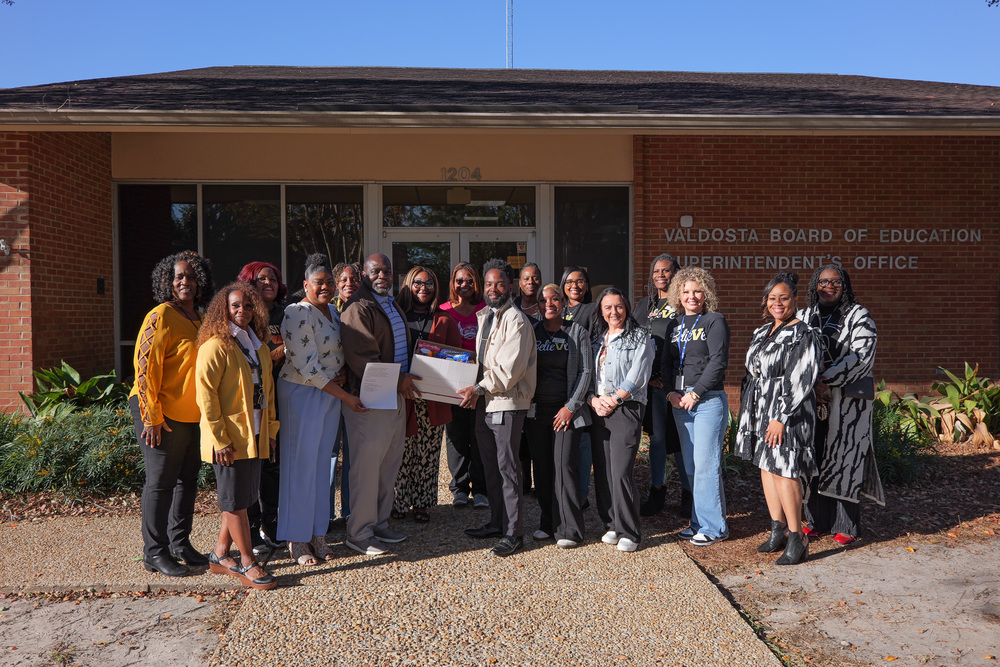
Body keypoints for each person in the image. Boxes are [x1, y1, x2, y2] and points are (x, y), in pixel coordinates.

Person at [277, 253, 368, 565]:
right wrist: (344, 395)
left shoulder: (332, 310)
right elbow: (306, 366)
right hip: (303, 393)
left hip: (330, 393)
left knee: (320, 468)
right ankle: (297, 540)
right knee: (300, 467)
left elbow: (336, 354)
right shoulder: (296, 312)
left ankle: (318, 533)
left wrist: (342, 376)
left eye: (330, 281)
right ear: (306, 284)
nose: (327, 286)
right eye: (320, 282)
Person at [128, 250, 214, 577]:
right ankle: (154, 552)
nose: (185, 282)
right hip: (160, 413)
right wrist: (151, 416)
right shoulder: (160, 315)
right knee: (161, 482)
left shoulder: (202, 317)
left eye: (191, 276)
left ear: (200, 281)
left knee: (187, 481)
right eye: (178, 276)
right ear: (167, 280)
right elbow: (144, 368)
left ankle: (181, 545)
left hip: (193, 416)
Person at [195, 282, 279, 589]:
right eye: (235, 306)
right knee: (235, 503)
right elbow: (206, 398)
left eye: (247, 305)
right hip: (228, 439)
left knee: (241, 498)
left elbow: (266, 393)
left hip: (254, 435)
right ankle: (247, 562)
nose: (242, 311)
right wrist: (220, 439)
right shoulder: (215, 346)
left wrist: (270, 432)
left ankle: (219, 554)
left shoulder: (258, 347)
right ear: (223, 309)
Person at [736, 272, 821, 565]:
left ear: (794, 300)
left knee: (786, 471)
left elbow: (802, 378)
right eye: (773, 298)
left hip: (789, 413)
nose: (778, 303)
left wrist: (780, 417)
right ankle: (778, 529)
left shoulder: (804, 333)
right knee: (767, 469)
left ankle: (798, 538)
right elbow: (754, 372)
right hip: (762, 411)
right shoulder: (762, 333)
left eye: (784, 298)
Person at [340, 253, 422, 555]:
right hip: (370, 397)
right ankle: (359, 532)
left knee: (388, 463)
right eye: (376, 271)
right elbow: (362, 357)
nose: (383, 276)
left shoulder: (391, 303)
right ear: (365, 273)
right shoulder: (358, 308)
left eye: (387, 271)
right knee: (366, 467)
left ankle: (379, 522)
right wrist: (401, 379)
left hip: (395, 394)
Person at [799, 264, 883, 545]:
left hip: (848, 404)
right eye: (824, 281)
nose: (830, 286)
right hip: (812, 401)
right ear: (815, 285)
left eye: (836, 281)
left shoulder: (859, 316)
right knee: (814, 456)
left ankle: (847, 526)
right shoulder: (804, 316)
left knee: (846, 459)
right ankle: (816, 521)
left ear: (844, 285)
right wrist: (812, 384)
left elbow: (860, 357)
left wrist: (825, 380)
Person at [460, 258, 537, 557]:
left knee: (507, 468)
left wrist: (477, 388)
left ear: (511, 286)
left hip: (505, 401)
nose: (494, 289)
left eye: (500, 284)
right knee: (490, 467)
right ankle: (496, 521)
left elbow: (508, 371)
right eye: (489, 284)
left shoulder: (516, 320)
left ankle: (514, 532)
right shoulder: (486, 317)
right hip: (485, 402)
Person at [662, 267, 731, 547]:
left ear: (706, 293)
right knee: (691, 467)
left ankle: (714, 528)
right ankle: (699, 522)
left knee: (706, 466)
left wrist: (696, 393)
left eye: (697, 291)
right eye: (686, 291)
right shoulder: (674, 324)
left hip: (707, 401)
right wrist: (670, 393)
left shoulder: (714, 321)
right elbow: (666, 363)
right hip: (680, 401)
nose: (692, 296)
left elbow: (718, 362)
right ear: (678, 294)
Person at [523, 284, 592, 547]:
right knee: (541, 469)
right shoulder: (532, 332)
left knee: (564, 468)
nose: (548, 304)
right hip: (536, 412)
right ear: (537, 305)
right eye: (543, 300)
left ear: (563, 303)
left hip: (567, 413)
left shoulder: (577, 332)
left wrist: (571, 406)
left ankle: (570, 529)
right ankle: (547, 522)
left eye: (554, 299)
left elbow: (586, 372)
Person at [586, 288, 654, 553]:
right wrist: (593, 400)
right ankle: (612, 523)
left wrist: (614, 400)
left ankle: (630, 531)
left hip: (625, 407)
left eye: (618, 306)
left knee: (621, 470)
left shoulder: (640, 336)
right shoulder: (596, 339)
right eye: (607, 308)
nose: (613, 312)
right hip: (598, 407)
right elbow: (588, 374)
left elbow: (639, 374)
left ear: (625, 307)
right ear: (601, 311)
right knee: (603, 470)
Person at [392, 266, 461, 523]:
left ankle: (422, 503)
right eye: (418, 283)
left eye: (430, 283)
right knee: (401, 451)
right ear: (408, 285)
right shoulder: (396, 316)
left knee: (428, 452)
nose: (424, 288)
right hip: (401, 394)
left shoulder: (443, 319)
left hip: (432, 397)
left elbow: (457, 358)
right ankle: (398, 501)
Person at [633, 253, 690, 518]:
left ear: (676, 274)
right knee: (656, 439)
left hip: (678, 384)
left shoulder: (684, 302)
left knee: (680, 440)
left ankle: (689, 495)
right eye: (656, 271)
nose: (660, 275)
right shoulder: (644, 305)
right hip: (652, 385)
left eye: (666, 271)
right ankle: (657, 491)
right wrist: (648, 376)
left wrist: (668, 377)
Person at [236, 261, 287, 554]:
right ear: (248, 282)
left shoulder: (286, 312)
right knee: (251, 463)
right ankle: (251, 528)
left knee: (273, 464)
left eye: (273, 278)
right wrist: (280, 352)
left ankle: (272, 521)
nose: (268, 282)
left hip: (281, 397)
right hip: (252, 401)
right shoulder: (244, 315)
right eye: (261, 278)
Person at [439, 262, 489, 509]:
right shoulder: (443, 310)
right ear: (453, 283)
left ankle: (480, 490)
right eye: (460, 280)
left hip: (481, 383)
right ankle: (459, 489)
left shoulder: (485, 310)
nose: (464, 285)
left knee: (479, 435)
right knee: (456, 437)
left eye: (469, 280)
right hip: (453, 384)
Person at [560, 265, 597, 509]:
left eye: (580, 281)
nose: (575, 285)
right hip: (560, 383)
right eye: (570, 281)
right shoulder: (557, 309)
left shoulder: (592, 310)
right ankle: (565, 491)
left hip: (584, 384)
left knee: (583, 443)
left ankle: (582, 494)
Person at [329, 261, 360, 526]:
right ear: (336, 285)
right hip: (328, 392)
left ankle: (350, 512)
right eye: (343, 280)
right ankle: (326, 515)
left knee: (353, 455)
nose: (349, 284)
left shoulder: (367, 309)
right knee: (329, 454)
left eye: (354, 279)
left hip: (356, 392)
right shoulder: (326, 312)